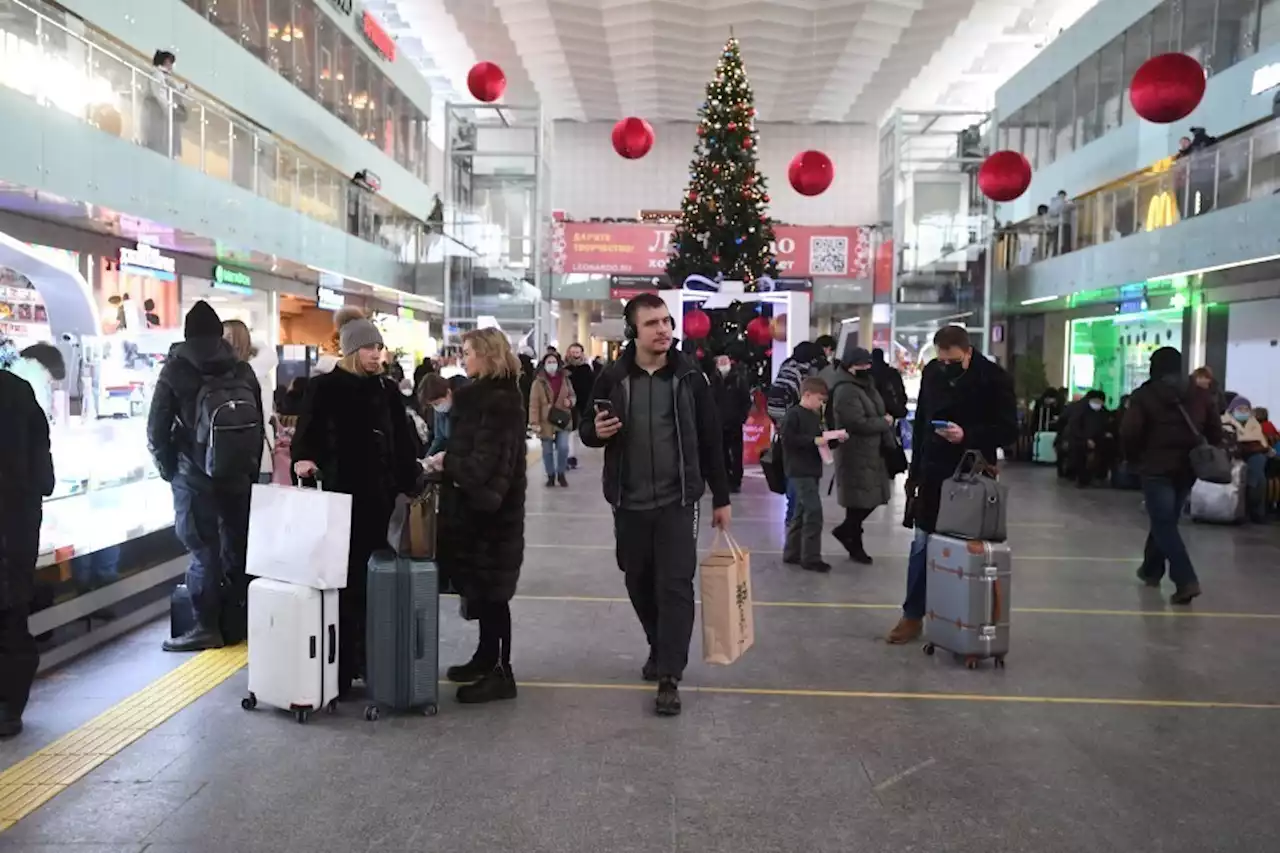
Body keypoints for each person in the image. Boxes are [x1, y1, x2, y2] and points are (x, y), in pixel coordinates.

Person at [580, 292, 731, 717]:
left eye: (666, 321)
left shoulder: (689, 376)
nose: (664, 329)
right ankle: (657, 642)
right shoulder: (613, 377)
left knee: (675, 585)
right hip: (629, 501)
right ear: (633, 331)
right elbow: (586, 429)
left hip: (679, 500)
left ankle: (669, 675)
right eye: (652, 323)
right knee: (637, 579)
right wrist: (598, 431)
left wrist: (721, 496)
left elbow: (711, 437)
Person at [291, 307, 420, 695]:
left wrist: (411, 478)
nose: (375, 355)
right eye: (367, 347)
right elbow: (305, 436)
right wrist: (304, 460)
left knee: (373, 581)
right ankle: (341, 664)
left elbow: (403, 441)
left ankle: (369, 659)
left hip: (378, 502)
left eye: (378, 347)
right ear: (351, 351)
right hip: (337, 499)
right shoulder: (325, 388)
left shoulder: (387, 389)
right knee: (339, 582)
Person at [887, 326, 1017, 644]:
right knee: (921, 544)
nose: (946, 365)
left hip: (971, 475)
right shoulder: (933, 373)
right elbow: (920, 428)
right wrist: (914, 473)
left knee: (966, 548)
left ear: (968, 352)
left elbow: (1008, 430)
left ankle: (963, 616)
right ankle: (912, 615)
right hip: (932, 472)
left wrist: (967, 435)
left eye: (953, 360)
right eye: (942, 359)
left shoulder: (994, 379)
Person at [147, 301, 264, 652]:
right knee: (237, 544)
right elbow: (256, 422)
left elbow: (156, 428)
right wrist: (250, 470)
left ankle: (206, 626)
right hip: (237, 473)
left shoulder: (176, 369)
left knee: (202, 549)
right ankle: (239, 620)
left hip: (194, 474)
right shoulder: (242, 369)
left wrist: (171, 468)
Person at [437, 329, 527, 704]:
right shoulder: (483, 397)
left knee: (494, 595)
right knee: (485, 592)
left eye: (469, 351)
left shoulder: (498, 401)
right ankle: (486, 657)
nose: (464, 357)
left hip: (491, 516)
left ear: (488, 355)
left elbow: (486, 466)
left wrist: (447, 463)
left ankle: (500, 672)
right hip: (478, 512)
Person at [1121, 347, 1221, 604]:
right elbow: (1215, 431)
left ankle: (1186, 580)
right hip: (1188, 468)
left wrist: (1134, 459)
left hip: (1156, 467)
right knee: (1165, 520)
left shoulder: (1145, 395)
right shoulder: (1200, 395)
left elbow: (1130, 432)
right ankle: (1151, 570)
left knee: (1164, 523)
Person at [0, 368, 54, 736]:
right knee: (12, 611)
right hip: (18, 522)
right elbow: (45, 475)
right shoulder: (18, 390)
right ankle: (9, 707)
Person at [820, 345, 893, 565]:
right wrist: (885, 422)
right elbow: (855, 423)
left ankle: (851, 538)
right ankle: (851, 539)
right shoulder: (846, 390)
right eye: (863, 364)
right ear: (851, 366)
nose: (867, 368)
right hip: (855, 452)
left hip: (871, 451)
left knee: (865, 500)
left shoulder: (864, 385)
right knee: (860, 501)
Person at [781, 378, 833, 573]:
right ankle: (810, 557)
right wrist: (814, 440)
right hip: (799, 470)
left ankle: (792, 552)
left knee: (801, 512)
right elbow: (789, 439)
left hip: (811, 469)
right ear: (807, 395)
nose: (821, 404)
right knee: (813, 512)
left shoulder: (814, 416)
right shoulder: (793, 415)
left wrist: (831, 439)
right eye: (819, 399)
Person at [223, 319, 277, 484]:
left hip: (252, 454)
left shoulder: (252, 374)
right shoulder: (253, 372)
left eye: (227, 336)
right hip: (244, 456)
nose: (222, 341)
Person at [1222, 395, 1273, 524]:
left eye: (1246, 409)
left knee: (1259, 465)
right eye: (1240, 409)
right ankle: (1251, 509)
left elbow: (1262, 443)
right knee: (1256, 475)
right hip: (1230, 455)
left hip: (1251, 454)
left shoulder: (1254, 424)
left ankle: (1255, 509)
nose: (1243, 412)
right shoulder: (1224, 421)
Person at [529, 352, 575, 486]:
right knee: (547, 450)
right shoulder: (538, 382)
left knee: (563, 447)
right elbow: (533, 404)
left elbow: (573, 395)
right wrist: (534, 422)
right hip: (545, 421)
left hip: (562, 418)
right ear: (543, 365)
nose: (551, 365)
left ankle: (561, 473)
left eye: (553, 362)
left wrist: (570, 402)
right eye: (548, 362)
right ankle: (550, 475)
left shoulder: (565, 379)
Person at [711, 354, 753, 492]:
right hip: (718, 423)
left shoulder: (739, 379)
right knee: (721, 452)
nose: (723, 363)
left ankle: (735, 480)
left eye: (725, 360)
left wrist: (742, 417)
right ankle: (725, 478)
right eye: (720, 361)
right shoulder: (713, 380)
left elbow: (746, 400)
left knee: (736, 453)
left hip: (734, 422)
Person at [143, 49, 187, 156]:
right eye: (170, 62)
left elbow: (174, 87)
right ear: (166, 62)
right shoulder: (158, 75)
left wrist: (183, 87)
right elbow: (160, 93)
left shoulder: (164, 76)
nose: (171, 66)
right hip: (157, 113)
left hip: (161, 114)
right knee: (158, 139)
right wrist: (168, 110)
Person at [1067, 390, 1114, 488]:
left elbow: (1107, 425)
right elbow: (1075, 427)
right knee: (1081, 457)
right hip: (1080, 440)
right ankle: (1082, 479)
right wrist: (1085, 439)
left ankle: (1098, 476)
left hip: (1098, 440)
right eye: (1096, 401)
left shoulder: (1103, 412)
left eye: (1100, 402)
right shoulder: (1080, 410)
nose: (1098, 404)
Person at [11, 343, 65, 421]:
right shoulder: (35, 372)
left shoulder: (19, 364)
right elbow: (38, 410)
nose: (48, 384)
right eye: (49, 380)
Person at [419, 373, 455, 458]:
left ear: (448, 393)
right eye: (432, 405)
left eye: (436, 403)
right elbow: (439, 439)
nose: (436, 407)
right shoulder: (439, 411)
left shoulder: (465, 410)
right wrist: (428, 459)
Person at [869, 347, 908, 420]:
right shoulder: (893, 373)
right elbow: (901, 393)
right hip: (893, 412)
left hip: (873, 415)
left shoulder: (867, 375)